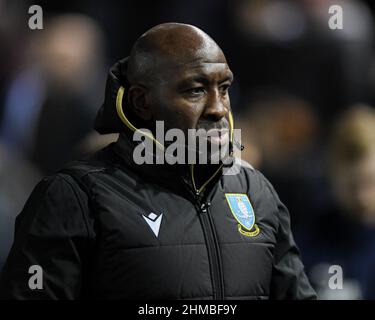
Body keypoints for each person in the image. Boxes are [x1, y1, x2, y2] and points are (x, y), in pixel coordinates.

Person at [0, 23, 316, 300]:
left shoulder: (255, 190)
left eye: (224, 88)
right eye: (195, 91)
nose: (218, 108)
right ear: (141, 102)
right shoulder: (74, 197)